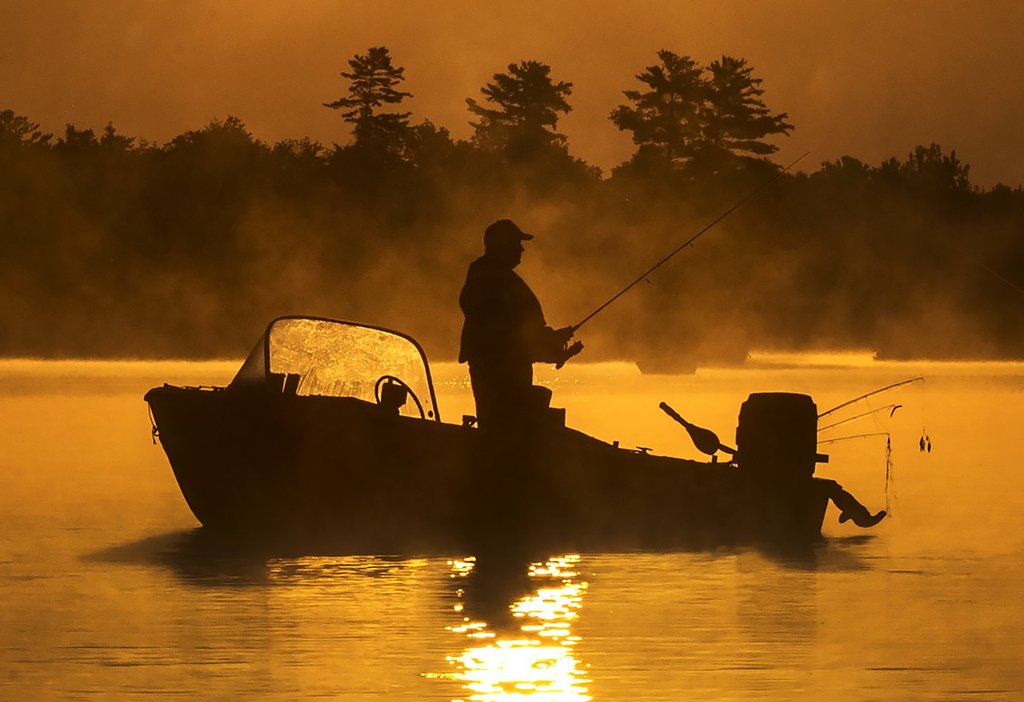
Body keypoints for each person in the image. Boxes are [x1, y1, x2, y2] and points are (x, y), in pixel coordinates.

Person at [459, 219, 581, 428]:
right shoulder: (493, 281)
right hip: (503, 379)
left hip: (503, 372)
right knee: (506, 431)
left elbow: (517, 336)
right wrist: (550, 341)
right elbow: (510, 338)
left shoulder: (489, 277)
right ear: (502, 247)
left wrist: (551, 343)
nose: (521, 249)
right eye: (516, 243)